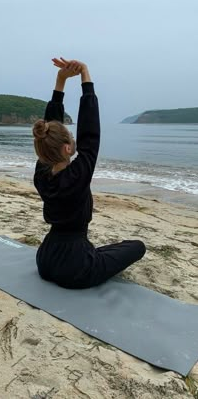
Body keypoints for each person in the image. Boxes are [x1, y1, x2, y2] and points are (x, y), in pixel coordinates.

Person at [33, 57, 146, 289]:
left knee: (107, 250)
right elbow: (90, 132)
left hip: (45, 259)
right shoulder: (76, 176)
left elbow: (52, 133)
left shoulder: (42, 174)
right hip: (76, 268)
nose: (75, 139)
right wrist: (85, 74)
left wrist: (60, 81)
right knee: (137, 246)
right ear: (67, 148)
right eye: (71, 138)